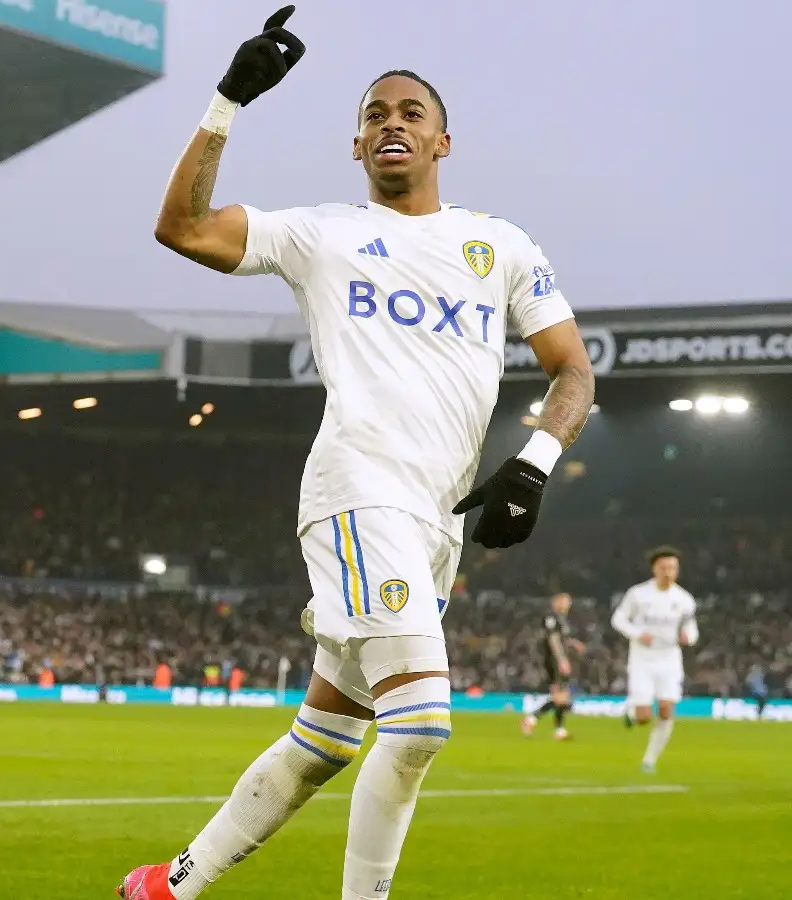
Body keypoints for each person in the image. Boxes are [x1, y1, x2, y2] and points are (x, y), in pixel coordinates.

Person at [117, 9, 596, 899]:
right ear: (356, 145)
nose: (392, 124)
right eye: (375, 114)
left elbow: (573, 369)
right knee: (418, 728)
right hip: (357, 491)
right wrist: (228, 100)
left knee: (327, 740)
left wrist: (532, 462)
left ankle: (168, 885)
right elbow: (182, 228)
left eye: (410, 112)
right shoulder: (322, 233)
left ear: (442, 138)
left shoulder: (501, 246)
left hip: (435, 522)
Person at [611, 547, 697, 773]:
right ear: (654, 569)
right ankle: (632, 712)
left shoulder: (684, 599)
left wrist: (689, 637)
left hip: (669, 660)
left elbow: (691, 627)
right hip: (642, 661)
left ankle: (649, 761)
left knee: (667, 709)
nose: (668, 572)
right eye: (664, 567)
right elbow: (618, 619)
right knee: (643, 717)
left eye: (672, 568)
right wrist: (638, 633)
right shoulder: (638, 594)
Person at [521, 592, 583, 740]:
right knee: (561, 697)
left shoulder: (561, 620)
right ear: (557, 602)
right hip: (554, 661)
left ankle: (558, 730)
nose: (569, 605)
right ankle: (532, 719)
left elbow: (561, 638)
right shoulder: (551, 617)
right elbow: (553, 639)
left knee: (563, 697)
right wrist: (561, 659)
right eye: (566, 602)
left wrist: (573, 643)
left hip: (559, 659)